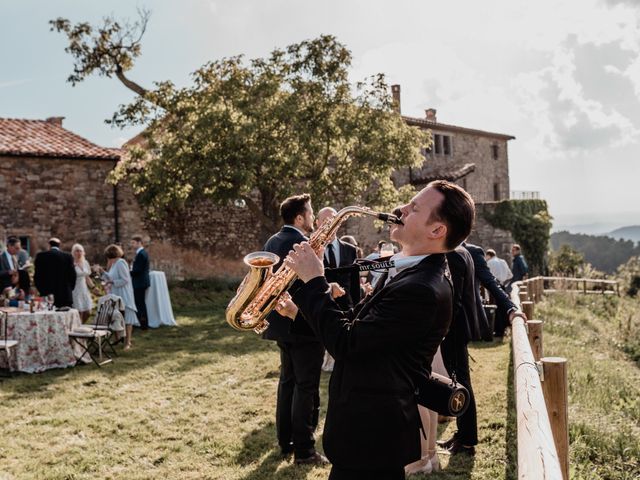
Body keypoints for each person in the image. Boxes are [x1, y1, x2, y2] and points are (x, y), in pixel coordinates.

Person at [277, 180, 476, 480]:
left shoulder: (420, 288)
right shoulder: (412, 271)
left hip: (373, 437)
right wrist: (298, 312)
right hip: (368, 435)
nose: (400, 210)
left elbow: (346, 343)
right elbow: (359, 329)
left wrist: (314, 282)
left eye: (414, 208)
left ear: (437, 231)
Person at [437, 242, 527, 455]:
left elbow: (491, 283)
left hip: (458, 326)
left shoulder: (472, 251)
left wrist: (511, 308)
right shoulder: (437, 247)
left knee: (461, 380)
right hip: (443, 326)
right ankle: (463, 434)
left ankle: (468, 441)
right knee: (455, 380)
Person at [262, 194, 328, 465]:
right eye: (311, 213)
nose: (313, 218)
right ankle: (304, 450)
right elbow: (312, 283)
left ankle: (285, 441)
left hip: (280, 325)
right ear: (300, 217)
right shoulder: (302, 242)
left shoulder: (272, 240)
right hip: (302, 323)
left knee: (288, 381)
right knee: (306, 386)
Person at [101, 244, 137, 350]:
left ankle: (128, 342)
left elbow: (125, 279)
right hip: (116, 293)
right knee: (117, 317)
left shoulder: (121, 263)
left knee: (127, 318)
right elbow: (110, 277)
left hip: (124, 293)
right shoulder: (114, 264)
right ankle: (119, 339)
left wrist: (112, 281)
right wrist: (103, 273)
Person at [34, 238, 77, 308]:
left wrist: (41, 290)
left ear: (49, 245)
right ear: (59, 246)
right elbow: (73, 275)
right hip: (64, 294)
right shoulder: (67, 256)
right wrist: (69, 288)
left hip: (47, 294)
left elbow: (37, 276)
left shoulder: (41, 256)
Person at [130, 235, 151, 330]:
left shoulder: (141, 254)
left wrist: (127, 272)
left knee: (140, 304)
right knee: (140, 303)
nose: (132, 245)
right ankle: (142, 324)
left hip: (140, 282)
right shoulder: (141, 253)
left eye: (133, 243)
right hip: (141, 282)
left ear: (139, 243)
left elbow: (137, 270)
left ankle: (143, 324)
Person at [71, 243, 94, 322]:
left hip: (84, 289)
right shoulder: (71, 263)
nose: (79, 253)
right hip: (75, 289)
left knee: (88, 312)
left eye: (81, 251)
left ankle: (81, 325)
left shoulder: (85, 263)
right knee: (79, 312)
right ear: (73, 252)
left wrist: (93, 287)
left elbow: (87, 277)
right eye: (77, 251)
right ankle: (79, 330)